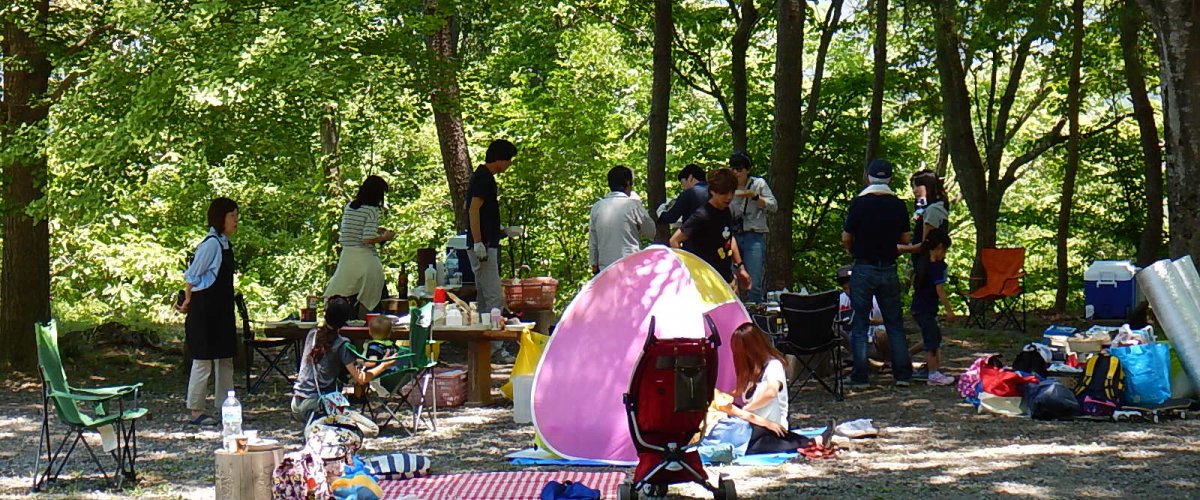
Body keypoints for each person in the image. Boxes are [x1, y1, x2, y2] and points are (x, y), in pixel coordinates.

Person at [842, 159, 913, 387]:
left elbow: (846, 237)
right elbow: (906, 238)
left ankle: (860, 376)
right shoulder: (898, 205)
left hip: (863, 266)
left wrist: (854, 250)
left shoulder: (859, 204)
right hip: (889, 267)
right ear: (890, 179)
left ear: (868, 177)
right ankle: (902, 375)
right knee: (894, 323)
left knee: (860, 324)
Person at [710, 323, 832, 454]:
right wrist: (718, 398)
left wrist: (747, 409)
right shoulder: (748, 369)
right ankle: (811, 441)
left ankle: (811, 442)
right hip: (754, 422)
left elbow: (771, 392)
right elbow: (738, 391)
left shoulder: (773, 365)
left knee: (748, 445)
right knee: (741, 440)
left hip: (771, 423)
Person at [178, 197, 240, 426]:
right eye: (232, 216)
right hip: (205, 312)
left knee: (225, 360)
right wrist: (187, 300)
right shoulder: (211, 244)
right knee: (203, 360)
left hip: (222, 311)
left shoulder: (225, 243)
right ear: (220, 218)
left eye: (236, 216)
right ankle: (196, 410)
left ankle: (225, 407)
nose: (236, 220)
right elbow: (192, 276)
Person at [292, 298, 398, 422]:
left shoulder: (313, 333)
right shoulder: (342, 343)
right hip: (316, 405)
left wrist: (357, 361)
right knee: (366, 427)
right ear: (346, 320)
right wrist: (384, 365)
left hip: (297, 402)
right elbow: (361, 379)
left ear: (325, 314)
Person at [466, 139, 521, 361]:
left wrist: (503, 231)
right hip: (484, 247)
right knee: (493, 297)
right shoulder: (483, 177)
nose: (509, 165)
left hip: (487, 242)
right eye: (508, 160)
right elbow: (473, 210)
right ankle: (496, 347)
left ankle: (483, 345)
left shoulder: (485, 177)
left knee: (484, 297)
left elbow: (485, 216)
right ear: (499, 159)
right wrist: (479, 242)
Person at [669, 168, 751, 292]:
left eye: (732, 192)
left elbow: (728, 237)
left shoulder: (727, 211)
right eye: (724, 193)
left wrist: (741, 268)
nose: (729, 197)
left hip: (726, 279)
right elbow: (674, 240)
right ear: (713, 191)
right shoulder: (702, 215)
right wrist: (689, 270)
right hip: (705, 282)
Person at [324, 175, 395, 316]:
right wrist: (385, 237)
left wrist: (376, 229)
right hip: (365, 259)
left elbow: (352, 230)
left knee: (343, 292)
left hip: (347, 258)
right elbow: (367, 239)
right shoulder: (372, 210)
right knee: (374, 294)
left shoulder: (349, 206)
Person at [907, 230, 957, 386]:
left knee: (934, 336)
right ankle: (933, 373)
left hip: (919, 307)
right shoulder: (936, 268)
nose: (945, 254)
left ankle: (905, 355)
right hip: (926, 309)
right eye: (945, 250)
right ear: (939, 247)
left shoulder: (922, 264)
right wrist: (949, 310)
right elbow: (940, 290)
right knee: (932, 341)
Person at [588, 165, 656, 274]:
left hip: (606, 270)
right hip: (631, 267)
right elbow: (651, 232)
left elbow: (593, 240)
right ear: (628, 183)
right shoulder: (633, 205)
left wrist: (594, 265)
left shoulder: (597, 207)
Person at [729, 151, 777, 303]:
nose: (736, 173)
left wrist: (755, 197)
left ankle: (755, 310)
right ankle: (736, 311)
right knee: (732, 280)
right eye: (733, 169)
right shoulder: (727, 187)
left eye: (739, 169)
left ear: (748, 170)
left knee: (754, 281)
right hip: (732, 237)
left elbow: (773, 206)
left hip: (753, 235)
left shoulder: (758, 184)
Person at [835, 265, 892, 367]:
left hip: (872, 340)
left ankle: (887, 360)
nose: (849, 291)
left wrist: (868, 320)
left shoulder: (874, 297)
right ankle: (855, 357)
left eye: (851, 287)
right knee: (836, 330)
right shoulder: (841, 300)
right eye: (845, 288)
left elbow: (888, 320)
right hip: (852, 340)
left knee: (882, 332)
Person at [898, 169, 950, 256]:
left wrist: (900, 248)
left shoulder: (933, 210)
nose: (914, 190)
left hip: (928, 263)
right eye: (913, 187)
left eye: (917, 186)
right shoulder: (930, 209)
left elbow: (926, 246)